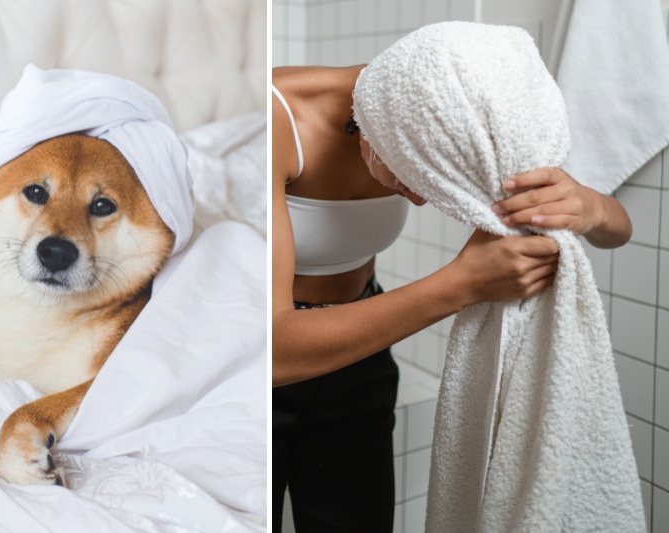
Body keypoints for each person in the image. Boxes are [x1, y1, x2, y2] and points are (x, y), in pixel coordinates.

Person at [271, 64, 632, 532]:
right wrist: (463, 283)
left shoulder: (444, 109)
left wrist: (589, 205)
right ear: (374, 123)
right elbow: (275, 350)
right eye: (409, 177)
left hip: (359, 364)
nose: (418, 200)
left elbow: (617, 231)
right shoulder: (276, 119)